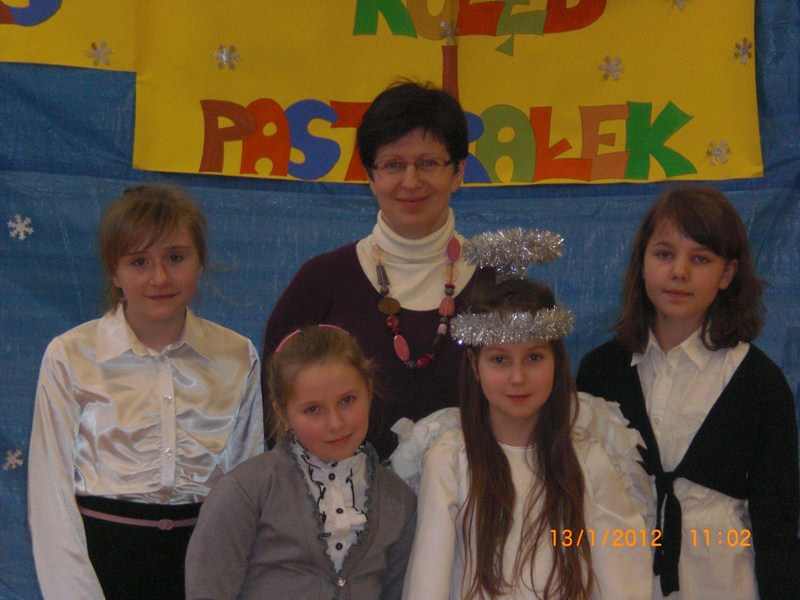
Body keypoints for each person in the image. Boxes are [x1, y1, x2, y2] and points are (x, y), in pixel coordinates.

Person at [28, 184, 264, 600]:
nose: (160, 277)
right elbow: (50, 492)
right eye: (139, 261)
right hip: (102, 562)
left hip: (204, 562)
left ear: (200, 262)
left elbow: (247, 488)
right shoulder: (71, 356)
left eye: (175, 257)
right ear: (114, 273)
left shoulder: (236, 356)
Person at [576, 186, 800, 600]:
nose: (679, 272)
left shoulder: (760, 383)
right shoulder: (600, 371)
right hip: (620, 576)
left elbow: (778, 522)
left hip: (722, 580)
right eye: (664, 254)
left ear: (727, 274)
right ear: (642, 263)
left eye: (700, 259)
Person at [262, 80, 494, 459]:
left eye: (429, 163)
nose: (411, 182)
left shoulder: (496, 283)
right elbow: (278, 427)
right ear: (370, 177)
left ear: (458, 171)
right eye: (393, 165)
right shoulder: (320, 284)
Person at [394, 278, 652, 600]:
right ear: (475, 365)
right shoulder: (450, 460)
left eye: (533, 358)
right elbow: (427, 583)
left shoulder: (588, 461)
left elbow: (623, 580)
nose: (518, 378)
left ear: (556, 361)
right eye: (500, 359)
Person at [185, 325, 417, 599]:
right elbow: (208, 589)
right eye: (313, 409)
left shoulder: (398, 499)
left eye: (347, 400)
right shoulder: (246, 491)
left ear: (369, 390)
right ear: (283, 414)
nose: (335, 423)